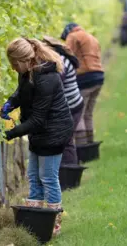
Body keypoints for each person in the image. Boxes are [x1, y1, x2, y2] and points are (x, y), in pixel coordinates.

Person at [0, 37, 73, 235]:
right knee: (33, 175)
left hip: (54, 131)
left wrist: (9, 134)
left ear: (25, 60)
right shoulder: (27, 72)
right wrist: (10, 103)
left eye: (15, 64)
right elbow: (21, 92)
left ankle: (52, 225)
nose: (13, 68)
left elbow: (38, 119)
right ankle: (35, 221)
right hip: (40, 131)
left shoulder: (46, 78)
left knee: (48, 177)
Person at [42, 36, 84, 165]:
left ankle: (69, 173)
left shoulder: (61, 62)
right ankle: (67, 172)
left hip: (71, 107)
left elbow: (54, 86)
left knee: (65, 141)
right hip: (71, 106)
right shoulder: (57, 60)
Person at [61, 23, 104, 145]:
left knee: (78, 111)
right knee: (88, 113)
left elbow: (67, 55)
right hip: (99, 76)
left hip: (85, 77)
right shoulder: (91, 37)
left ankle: (81, 146)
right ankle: (90, 143)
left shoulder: (72, 36)